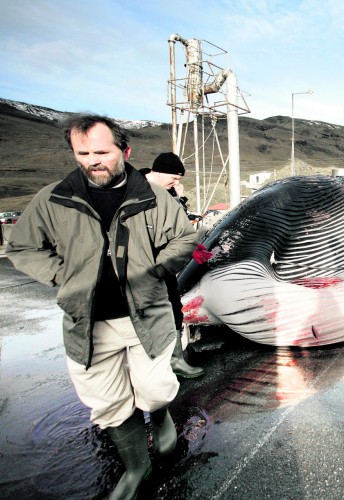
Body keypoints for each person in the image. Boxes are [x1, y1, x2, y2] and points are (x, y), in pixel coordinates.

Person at [6, 114, 198, 499]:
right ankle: (136, 467)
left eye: (102, 151)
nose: (93, 159)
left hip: (145, 311)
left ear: (123, 150)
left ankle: (159, 415)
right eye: (84, 153)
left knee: (155, 388)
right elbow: (22, 246)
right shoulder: (54, 198)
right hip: (88, 321)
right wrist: (62, 276)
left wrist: (156, 269)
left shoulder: (153, 196)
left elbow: (184, 239)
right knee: (107, 402)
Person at [140, 153, 206, 379]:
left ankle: (175, 361)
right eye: (173, 177)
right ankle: (147, 365)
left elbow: (178, 229)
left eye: (178, 179)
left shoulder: (169, 194)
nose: (176, 183)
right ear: (156, 171)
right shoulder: (134, 190)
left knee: (172, 308)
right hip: (138, 263)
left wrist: (189, 248)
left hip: (164, 263)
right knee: (143, 313)